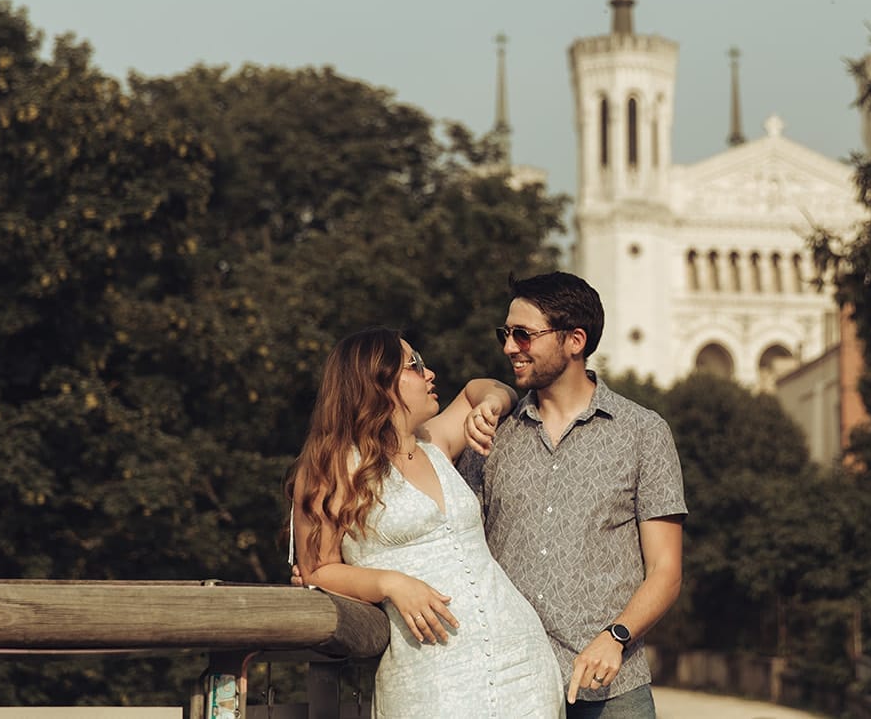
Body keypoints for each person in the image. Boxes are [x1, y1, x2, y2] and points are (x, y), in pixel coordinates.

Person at [287, 326, 564, 718]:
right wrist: (390, 583)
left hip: (521, 661)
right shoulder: (330, 468)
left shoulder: (434, 444)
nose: (430, 373)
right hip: (429, 673)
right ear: (377, 383)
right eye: (414, 365)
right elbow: (317, 569)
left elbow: (484, 389)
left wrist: (490, 405)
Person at [460, 271, 687, 718]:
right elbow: (461, 548)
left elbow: (666, 570)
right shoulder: (491, 433)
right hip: (509, 686)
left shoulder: (644, 433)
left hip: (611, 691)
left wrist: (616, 636)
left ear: (575, 340)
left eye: (524, 335)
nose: (509, 347)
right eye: (506, 334)